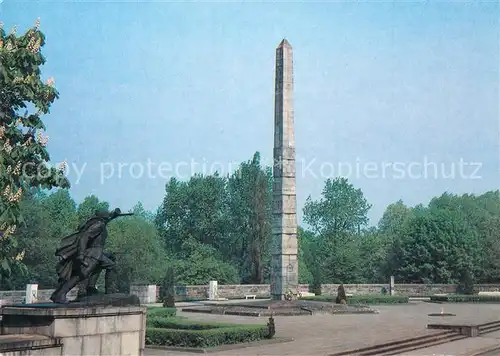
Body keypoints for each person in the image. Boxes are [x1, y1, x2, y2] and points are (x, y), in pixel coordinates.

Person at [50, 208, 131, 303]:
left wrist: (115, 215)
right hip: (92, 254)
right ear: (103, 216)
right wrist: (81, 254)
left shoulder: (101, 223)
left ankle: (89, 288)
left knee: (104, 266)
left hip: (97, 253)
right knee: (81, 274)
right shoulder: (99, 225)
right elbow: (84, 237)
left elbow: (109, 218)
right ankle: (61, 294)